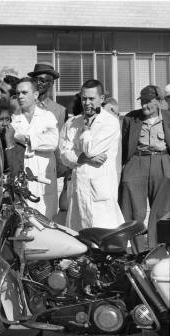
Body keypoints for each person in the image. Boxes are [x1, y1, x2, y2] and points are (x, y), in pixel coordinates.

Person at [59, 79, 124, 231]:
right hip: (78, 189)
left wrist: (87, 130)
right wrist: (82, 158)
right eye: (84, 98)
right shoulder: (72, 122)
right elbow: (64, 154)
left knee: (103, 236)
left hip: (99, 189)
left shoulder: (110, 122)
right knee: (79, 238)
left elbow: (92, 150)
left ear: (101, 99)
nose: (87, 103)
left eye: (91, 99)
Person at [119, 85, 170, 249]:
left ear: (159, 101)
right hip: (136, 162)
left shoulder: (169, 117)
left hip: (162, 162)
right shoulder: (130, 118)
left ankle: (158, 251)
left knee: (162, 212)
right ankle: (136, 253)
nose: (144, 106)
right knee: (134, 212)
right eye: (142, 101)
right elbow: (123, 147)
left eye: (148, 101)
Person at [12, 77, 58, 219]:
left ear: (36, 95)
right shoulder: (13, 119)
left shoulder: (47, 116)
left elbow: (53, 142)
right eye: (18, 93)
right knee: (25, 222)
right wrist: (38, 139)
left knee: (46, 220)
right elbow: (11, 138)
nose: (20, 96)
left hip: (44, 175)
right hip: (23, 175)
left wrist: (27, 139)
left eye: (24, 92)